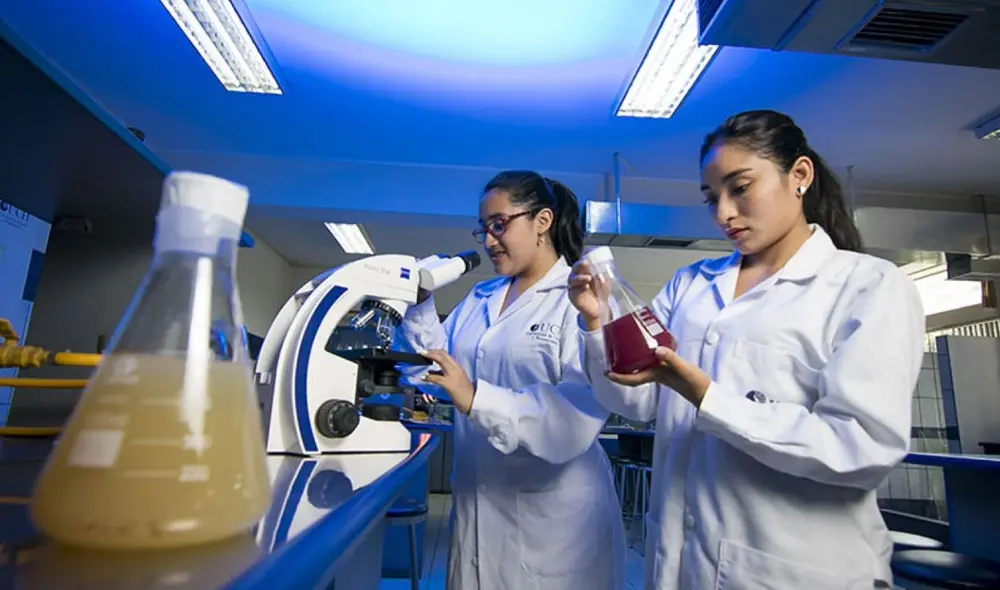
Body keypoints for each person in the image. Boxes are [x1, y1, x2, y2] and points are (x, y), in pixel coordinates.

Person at [569, 110, 925, 589]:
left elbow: (860, 448)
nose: (723, 213)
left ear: (799, 175)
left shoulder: (868, 286)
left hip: (796, 568)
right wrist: (598, 321)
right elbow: (637, 402)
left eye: (740, 188)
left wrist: (706, 396)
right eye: (711, 197)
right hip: (682, 560)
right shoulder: (691, 285)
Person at [395, 170, 627, 590]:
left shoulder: (579, 298)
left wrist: (475, 397)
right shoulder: (480, 296)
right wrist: (422, 307)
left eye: (499, 224)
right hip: (477, 503)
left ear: (542, 221)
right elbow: (434, 372)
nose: (487, 240)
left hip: (556, 524)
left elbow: (573, 421)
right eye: (483, 229)